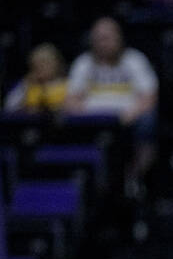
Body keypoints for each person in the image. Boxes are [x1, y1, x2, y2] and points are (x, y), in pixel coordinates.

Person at [65, 17, 160, 188]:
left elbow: (149, 97)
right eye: (99, 38)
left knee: (148, 120)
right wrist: (81, 112)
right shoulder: (83, 63)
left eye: (107, 38)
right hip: (92, 120)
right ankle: (84, 180)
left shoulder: (134, 60)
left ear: (119, 38)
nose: (103, 43)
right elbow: (71, 99)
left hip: (128, 117)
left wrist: (130, 114)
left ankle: (135, 177)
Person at [4, 43, 69, 114]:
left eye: (45, 63)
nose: (40, 67)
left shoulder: (68, 85)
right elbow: (9, 107)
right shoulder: (27, 85)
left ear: (57, 63)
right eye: (36, 64)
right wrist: (25, 85)